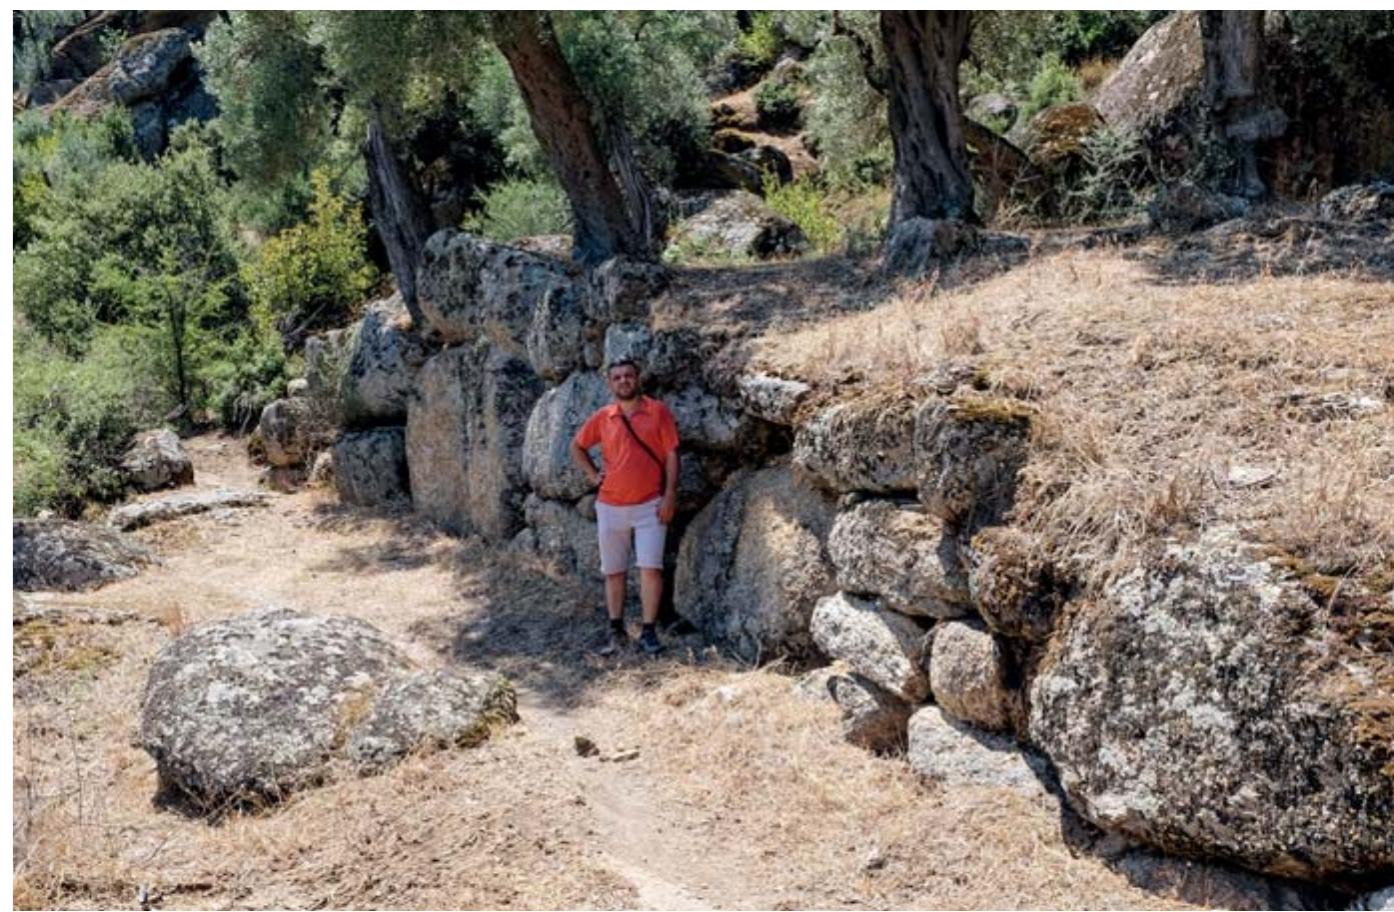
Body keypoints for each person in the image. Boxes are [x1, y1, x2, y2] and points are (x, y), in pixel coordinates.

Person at [569, 359, 680, 656]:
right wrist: (593, 475)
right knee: (614, 571)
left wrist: (669, 494)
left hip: (650, 506)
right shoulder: (604, 417)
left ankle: (648, 631)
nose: (623, 381)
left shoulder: (658, 412)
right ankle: (616, 629)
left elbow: (671, 455)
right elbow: (577, 446)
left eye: (628, 376)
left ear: (638, 378)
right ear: (610, 383)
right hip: (610, 505)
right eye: (617, 377)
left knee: (650, 568)